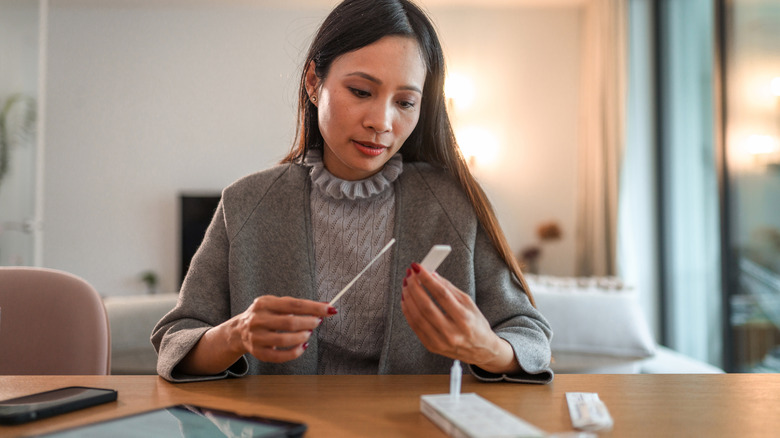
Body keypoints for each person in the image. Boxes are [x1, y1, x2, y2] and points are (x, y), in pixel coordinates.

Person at [152, 0, 553, 384]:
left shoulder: (452, 204)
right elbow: (176, 341)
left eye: (406, 102)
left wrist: (486, 348)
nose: (381, 121)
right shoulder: (246, 203)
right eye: (361, 92)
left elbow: (529, 335)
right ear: (314, 82)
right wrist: (235, 335)